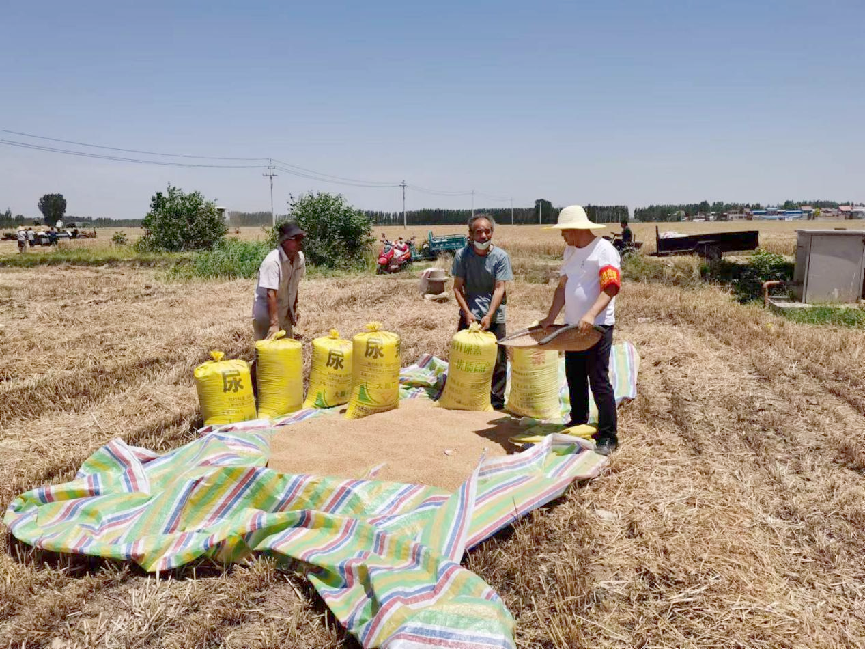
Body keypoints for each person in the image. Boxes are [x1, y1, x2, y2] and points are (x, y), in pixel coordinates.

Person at [538, 205, 621, 456]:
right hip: (573, 326)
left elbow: (611, 288)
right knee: (574, 375)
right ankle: (578, 422)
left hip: (596, 326)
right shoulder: (570, 251)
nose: (562, 235)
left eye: (564, 231)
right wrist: (550, 318)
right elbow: (562, 288)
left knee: (598, 380)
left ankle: (608, 435)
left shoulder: (604, 251)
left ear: (576, 229)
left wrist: (590, 314)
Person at [452, 213, 513, 410]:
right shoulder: (462, 255)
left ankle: (496, 399)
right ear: (470, 234)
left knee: (498, 358)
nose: (483, 236)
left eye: (488, 231)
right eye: (479, 232)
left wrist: (489, 315)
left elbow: (499, 288)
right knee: (466, 355)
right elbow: (457, 287)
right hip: (469, 313)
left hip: (494, 314)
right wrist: (468, 313)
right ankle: (467, 394)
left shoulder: (501, 257)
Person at [252, 222, 306, 341]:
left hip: (285, 313)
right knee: (266, 355)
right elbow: (271, 293)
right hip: (267, 317)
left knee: (287, 351)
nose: (299, 242)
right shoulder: (272, 262)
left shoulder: (299, 258)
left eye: (300, 238)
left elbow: (294, 285)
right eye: (295, 239)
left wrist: (294, 309)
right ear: (284, 241)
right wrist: (274, 325)